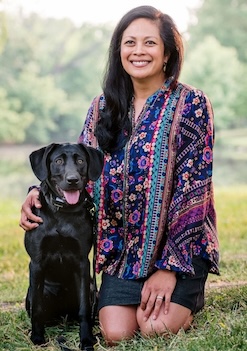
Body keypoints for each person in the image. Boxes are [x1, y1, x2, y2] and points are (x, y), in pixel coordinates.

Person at [20, 5, 219, 346]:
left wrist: (169, 268)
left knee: (156, 327)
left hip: (179, 250)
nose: (138, 51)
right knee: (116, 333)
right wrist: (35, 192)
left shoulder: (191, 103)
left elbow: (194, 190)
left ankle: (189, 289)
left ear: (167, 52)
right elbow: (79, 173)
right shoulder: (102, 108)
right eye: (129, 43)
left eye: (149, 43)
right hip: (125, 253)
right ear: (119, 51)